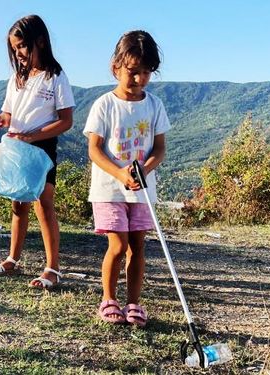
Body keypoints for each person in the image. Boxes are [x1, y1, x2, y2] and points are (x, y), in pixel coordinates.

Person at [83, 30, 170, 325]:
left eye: (147, 72)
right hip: (109, 189)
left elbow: (159, 149)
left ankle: (134, 303)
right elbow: (94, 150)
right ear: (116, 67)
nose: (140, 79)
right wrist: (120, 172)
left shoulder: (154, 105)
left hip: (142, 190)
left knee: (138, 247)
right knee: (117, 246)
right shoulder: (104, 105)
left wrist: (144, 170)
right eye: (133, 72)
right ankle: (109, 298)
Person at [0, 15, 75, 289]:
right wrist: (0, 120)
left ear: (40, 41)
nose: (19, 53)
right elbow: (9, 113)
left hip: (42, 147)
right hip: (16, 145)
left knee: (44, 205)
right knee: (18, 204)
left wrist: (34, 135)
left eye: (22, 46)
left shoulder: (56, 77)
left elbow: (66, 120)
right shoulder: (17, 79)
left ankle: (52, 268)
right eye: (15, 48)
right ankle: (13, 258)